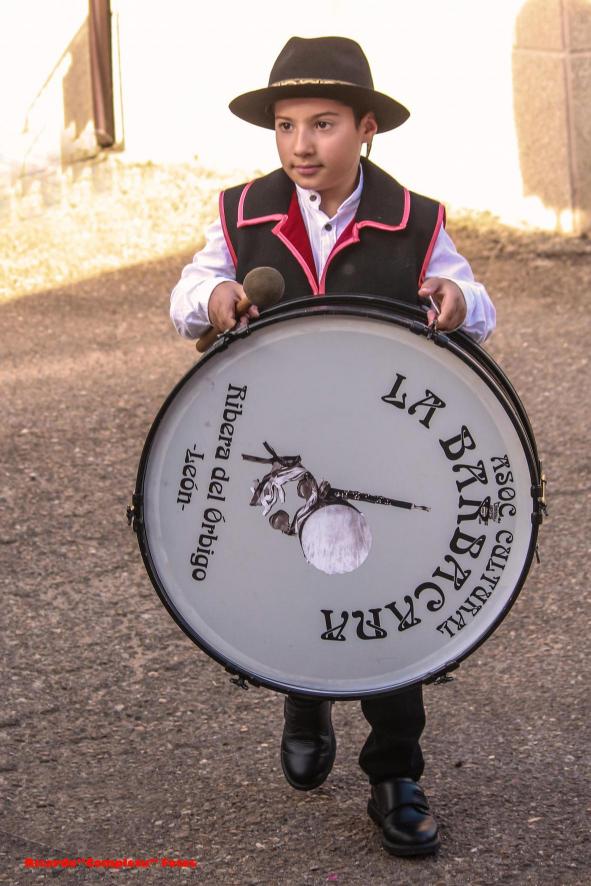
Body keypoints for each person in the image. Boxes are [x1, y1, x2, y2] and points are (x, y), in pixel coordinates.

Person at [170, 35, 496, 858]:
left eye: (322, 124)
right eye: (285, 126)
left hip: (380, 438)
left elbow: (475, 300)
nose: (301, 145)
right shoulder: (241, 212)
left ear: (365, 129)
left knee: (385, 589)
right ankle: (303, 693)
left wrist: (455, 297)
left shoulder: (413, 218)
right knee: (287, 574)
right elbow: (186, 293)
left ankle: (395, 775)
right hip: (278, 437)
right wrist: (215, 294)